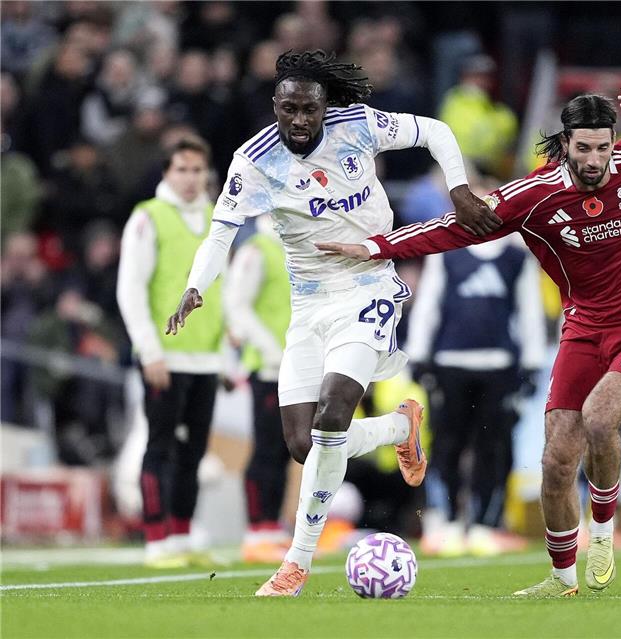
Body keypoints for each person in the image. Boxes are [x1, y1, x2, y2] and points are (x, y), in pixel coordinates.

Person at [317, 89, 621, 596]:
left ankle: (600, 531)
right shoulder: (533, 197)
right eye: (584, 149)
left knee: (602, 417)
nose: (596, 160)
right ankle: (561, 579)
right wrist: (375, 246)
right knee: (556, 458)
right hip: (584, 326)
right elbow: (454, 230)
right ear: (564, 144)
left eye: (604, 148)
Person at [165, 50, 496, 596]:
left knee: (332, 413)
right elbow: (221, 233)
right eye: (289, 109)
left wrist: (458, 188)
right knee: (303, 442)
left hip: (369, 286)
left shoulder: (359, 126)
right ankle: (396, 428)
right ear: (276, 106)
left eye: (309, 110)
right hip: (309, 304)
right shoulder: (253, 163)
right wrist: (197, 287)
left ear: (324, 107)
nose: (300, 120)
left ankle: (295, 564)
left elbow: (436, 131)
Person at [116, 135, 224, 568]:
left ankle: (181, 534)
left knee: (194, 451)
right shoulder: (149, 218)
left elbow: (224, 286)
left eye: (197, 170)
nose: (190, 178)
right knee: (159, 445)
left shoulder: (218, 218)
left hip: (207, 357)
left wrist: (227, 354)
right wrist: (149, 350)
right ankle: (155, 537)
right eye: (182, 169)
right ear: (166, 172)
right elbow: (131, 289)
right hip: (165, 355)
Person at [406, 235, 546, 556]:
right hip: (450, 363)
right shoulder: (448, 254)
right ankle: (447, 521)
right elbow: (429, 303)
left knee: (493, 448)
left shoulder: (516, 258)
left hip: (499, 365)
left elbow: (529, 311)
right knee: (446, 445)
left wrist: (532, 363)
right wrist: (419, 354)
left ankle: (486, 524)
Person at [223, 216, 292, 564]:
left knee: (285, 449)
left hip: (295, 368)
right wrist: (270, 348)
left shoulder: (295, 247)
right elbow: (236, 305)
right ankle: (256, 529)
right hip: (267, 367)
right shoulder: (257, 250)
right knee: (265, 448)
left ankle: (272, 525)